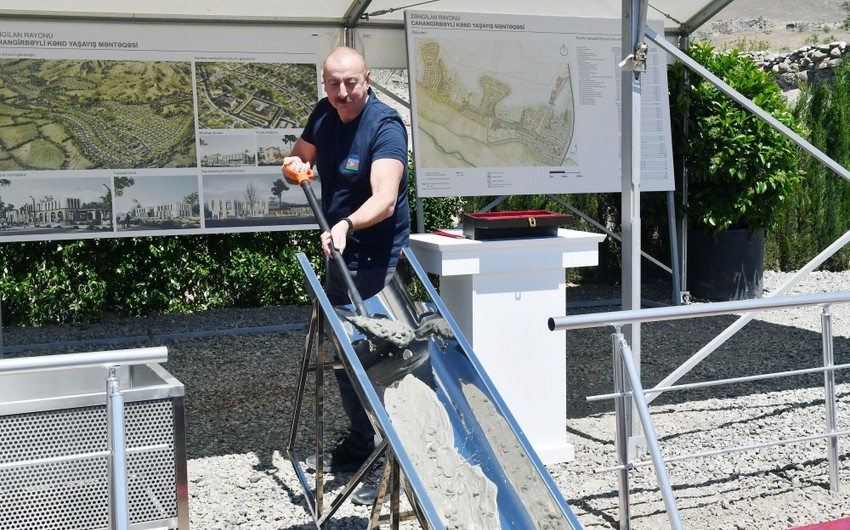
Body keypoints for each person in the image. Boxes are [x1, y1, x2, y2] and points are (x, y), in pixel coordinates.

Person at [283, 46, 410, 504]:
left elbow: (385, 199)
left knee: (376, 358)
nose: (342, 92)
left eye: (350, 83)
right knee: (342, 351)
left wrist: (347, 224)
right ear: (324, 84)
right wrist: (295, 167)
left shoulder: (385, 126)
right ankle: (363, 440)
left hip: (376, 257)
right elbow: (300, 158)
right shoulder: (324, 113)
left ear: (367, 78)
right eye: (333, 84)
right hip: (337, 250)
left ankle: (395, 458)